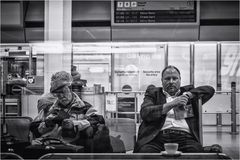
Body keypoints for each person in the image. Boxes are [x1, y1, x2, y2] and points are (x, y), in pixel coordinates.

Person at [134, 65, 215, 153]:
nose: (171, 82)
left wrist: (188, 95)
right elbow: (145, 113)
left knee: (196, 152)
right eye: (167, 79)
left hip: (185, 137)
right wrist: (173, 103)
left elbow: (210, 90)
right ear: (162, 81)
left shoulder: (188, 94)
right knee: (145, 152)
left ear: (180, 79)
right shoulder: (154, 93)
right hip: (157, 137)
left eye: (174, 78)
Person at [30, 71, 104, 146]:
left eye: (64, 91)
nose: (61, 96)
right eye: (57, 93)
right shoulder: (48, 109)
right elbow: (34, 128)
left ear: (70, 88)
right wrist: (47, 124)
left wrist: (74, 124)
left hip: (73, 152)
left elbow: (98, 121)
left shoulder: (85, 108)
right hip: (49, 151)